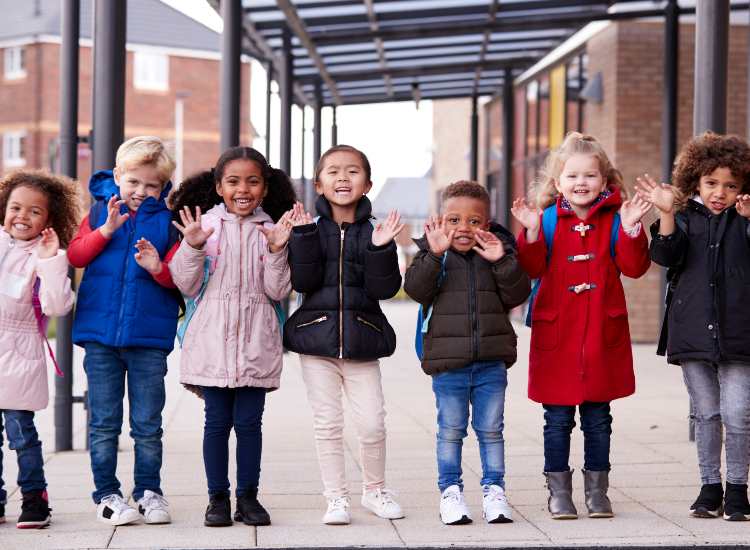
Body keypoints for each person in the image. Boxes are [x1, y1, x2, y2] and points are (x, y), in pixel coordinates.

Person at [511, 131, 651, 519]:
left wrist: (633, 229)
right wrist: (532, 233)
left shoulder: (616, 218)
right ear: (558, 183)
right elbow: (533, 268)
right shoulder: (549, 220)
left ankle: (597, 492)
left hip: (601, 336)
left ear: (604, 182)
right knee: (556, 419)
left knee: (598, 418)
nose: (581, 183)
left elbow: (635, 268)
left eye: (590, 176)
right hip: (558, 335)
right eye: (572, 177)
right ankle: (558, 492)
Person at [164, 146, 295, 527]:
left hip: (257, 343)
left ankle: (248, 497)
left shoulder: (272, 229)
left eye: (253, 181)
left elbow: (277, 289)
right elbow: (185, 285)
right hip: (212, 345)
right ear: (219, 186)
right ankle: (217, 499)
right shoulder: (203, 226)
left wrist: (276, 250)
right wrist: (192, 245)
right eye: (233, 181)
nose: (243, 189)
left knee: (251, 424)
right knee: (216, 424)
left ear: (264, 188)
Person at [283, 144, 404, 525]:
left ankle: (374, 490)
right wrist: (301, 239)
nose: (342, 177)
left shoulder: (376, 231)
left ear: (367, 184)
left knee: (372, 423)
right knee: (328, 424)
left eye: (352, 171)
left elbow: (384, 290)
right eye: (333, 171)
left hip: (362, 341)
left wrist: (382, 248)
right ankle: (336, 498)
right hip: (317, 342)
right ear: (319, 184)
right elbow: (302, 283)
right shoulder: (309, 230)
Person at [637, 132, 750, 521]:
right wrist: (666, 214)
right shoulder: (683, 218)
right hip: (693, 331)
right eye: (712, 183)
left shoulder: (745, 220)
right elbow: (665, 255)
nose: (721, 192)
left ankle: (737, 489)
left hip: (740, 333)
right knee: (706, 414)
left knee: (738, 413)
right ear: (695, 181)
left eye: (731, 185)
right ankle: (709, 487)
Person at [404, 180, 530, 525]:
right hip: (448, 365)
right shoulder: (432, 255)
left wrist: (501, 260)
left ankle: (494, 490)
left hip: (491, 362)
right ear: (441, 222)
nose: (463, 228)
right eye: (454, 220)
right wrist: (434, 254)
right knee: (451, 430)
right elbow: (416, 289)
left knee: (491, 430)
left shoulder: (496, 254)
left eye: (473, 221)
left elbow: (516, 294)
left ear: (485, 225)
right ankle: (450, 492)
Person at [68, 136, 179, 526]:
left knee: (148, 424)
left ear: (163, 187)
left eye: (151, 186)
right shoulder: (100, 212)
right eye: (133, 182)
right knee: (103, 422)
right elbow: (76, 255)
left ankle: (149, 491)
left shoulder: (168, 222)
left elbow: (179, 280)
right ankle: (107, 494)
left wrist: (157, 268)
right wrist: (105, 232)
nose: (140, 192)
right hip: (100, 338)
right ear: (117, 176)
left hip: (148, 340)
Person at [0, 170, 79, 528]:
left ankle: (35, 498)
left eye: (34, 211)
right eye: (16, 207)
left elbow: (58, 306)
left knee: (21, 434)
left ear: (49, 219)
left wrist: (49, 262)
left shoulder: (46, 256)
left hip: (20, 353)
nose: (22, 216)